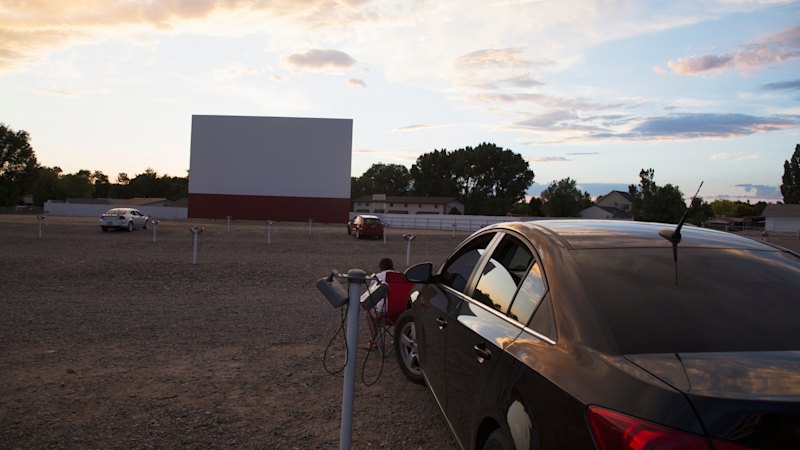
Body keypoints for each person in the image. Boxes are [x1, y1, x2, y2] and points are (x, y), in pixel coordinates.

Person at [364, 258, 396, 345]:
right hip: (400, 314)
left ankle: (375, 340)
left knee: (368, 312)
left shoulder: (377, 277)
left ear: (380, 267)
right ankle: (398, 338)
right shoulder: (401, 276)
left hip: (383, 313)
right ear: (392, 266)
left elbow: (370, 296)